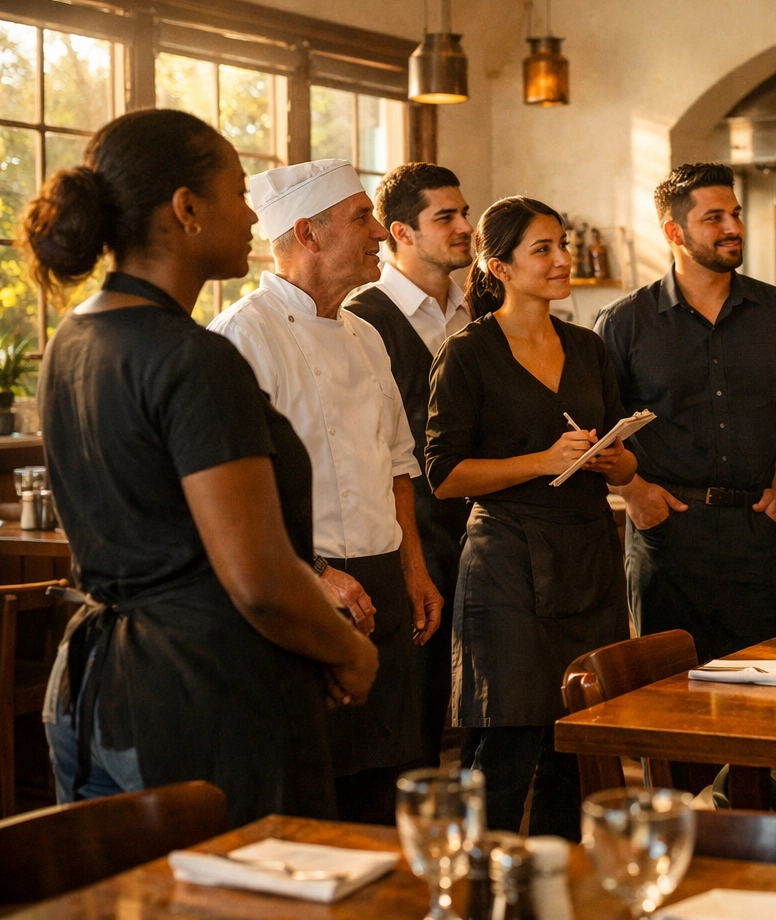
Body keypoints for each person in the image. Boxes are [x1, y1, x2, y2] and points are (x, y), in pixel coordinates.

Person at [23, 109, 377, 825]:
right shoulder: (196, 359)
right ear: (187, 209)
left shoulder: (72, 340)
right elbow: (259, 580)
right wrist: (348, 651)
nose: (252, 214)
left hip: (99, 685)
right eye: (238, 191)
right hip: (202, 695)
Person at [210, 159, 442, 824]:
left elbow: (397, 462)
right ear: (309, 236)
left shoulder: (365, 334)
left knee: (385, 787)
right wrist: (315, 575)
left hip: (385, 588)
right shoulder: (241, 336)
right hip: (303, 588)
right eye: (361, 219)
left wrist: (413, 567)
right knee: (314, 793)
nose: (378, 234)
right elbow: (234, 500)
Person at [425, 196, 634, 839]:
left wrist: (613, 459)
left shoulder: (588, 347)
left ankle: (562, 894)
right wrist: (542, 460)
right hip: (506, 566)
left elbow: (627, 468)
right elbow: (443, 475)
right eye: (542, 249)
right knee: (506, 753)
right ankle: (480, 896)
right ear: (500, 267)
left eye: (562, 244)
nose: (562, 259)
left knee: (580, 751)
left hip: (588, 558)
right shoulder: (467, 352)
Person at [595, 163, 776, 663]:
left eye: (734, 214)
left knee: (763, 693)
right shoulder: (625, 321)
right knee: (665, 697)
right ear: (674, 232)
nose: (733, 228)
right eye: (713, 217)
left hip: (755, 531)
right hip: (665, 533)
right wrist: (634, 494)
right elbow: (598, 428)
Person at [345, 163, 474, 769]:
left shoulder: (472, 312)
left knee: (477, 705)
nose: (465, 227)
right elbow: (371, 450)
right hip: (411, 539)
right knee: (413, 717)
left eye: (464, 213)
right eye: (445, 217)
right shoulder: (362, 317)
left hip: (477, 536)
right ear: (400, 231)